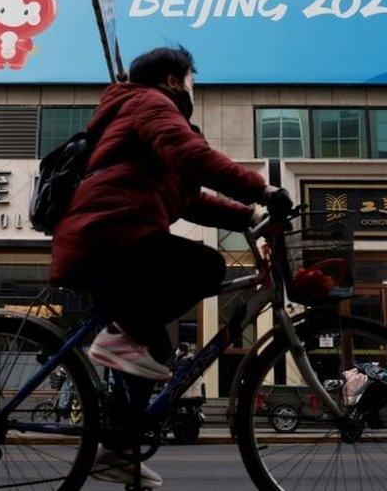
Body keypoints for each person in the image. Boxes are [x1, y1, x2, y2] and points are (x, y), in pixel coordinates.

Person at [50, 45, 290, 486]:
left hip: (110, 241)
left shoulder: (137, 117)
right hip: (110, 239)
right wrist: (263, 190)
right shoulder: (149, 102)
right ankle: (117, 339)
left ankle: (118, 450)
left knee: (153, 349)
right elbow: (192, 157)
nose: (193, 89)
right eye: (192, 80)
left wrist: (246, 215)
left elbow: (189, 196)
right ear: (174, 80)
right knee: (205, 266)